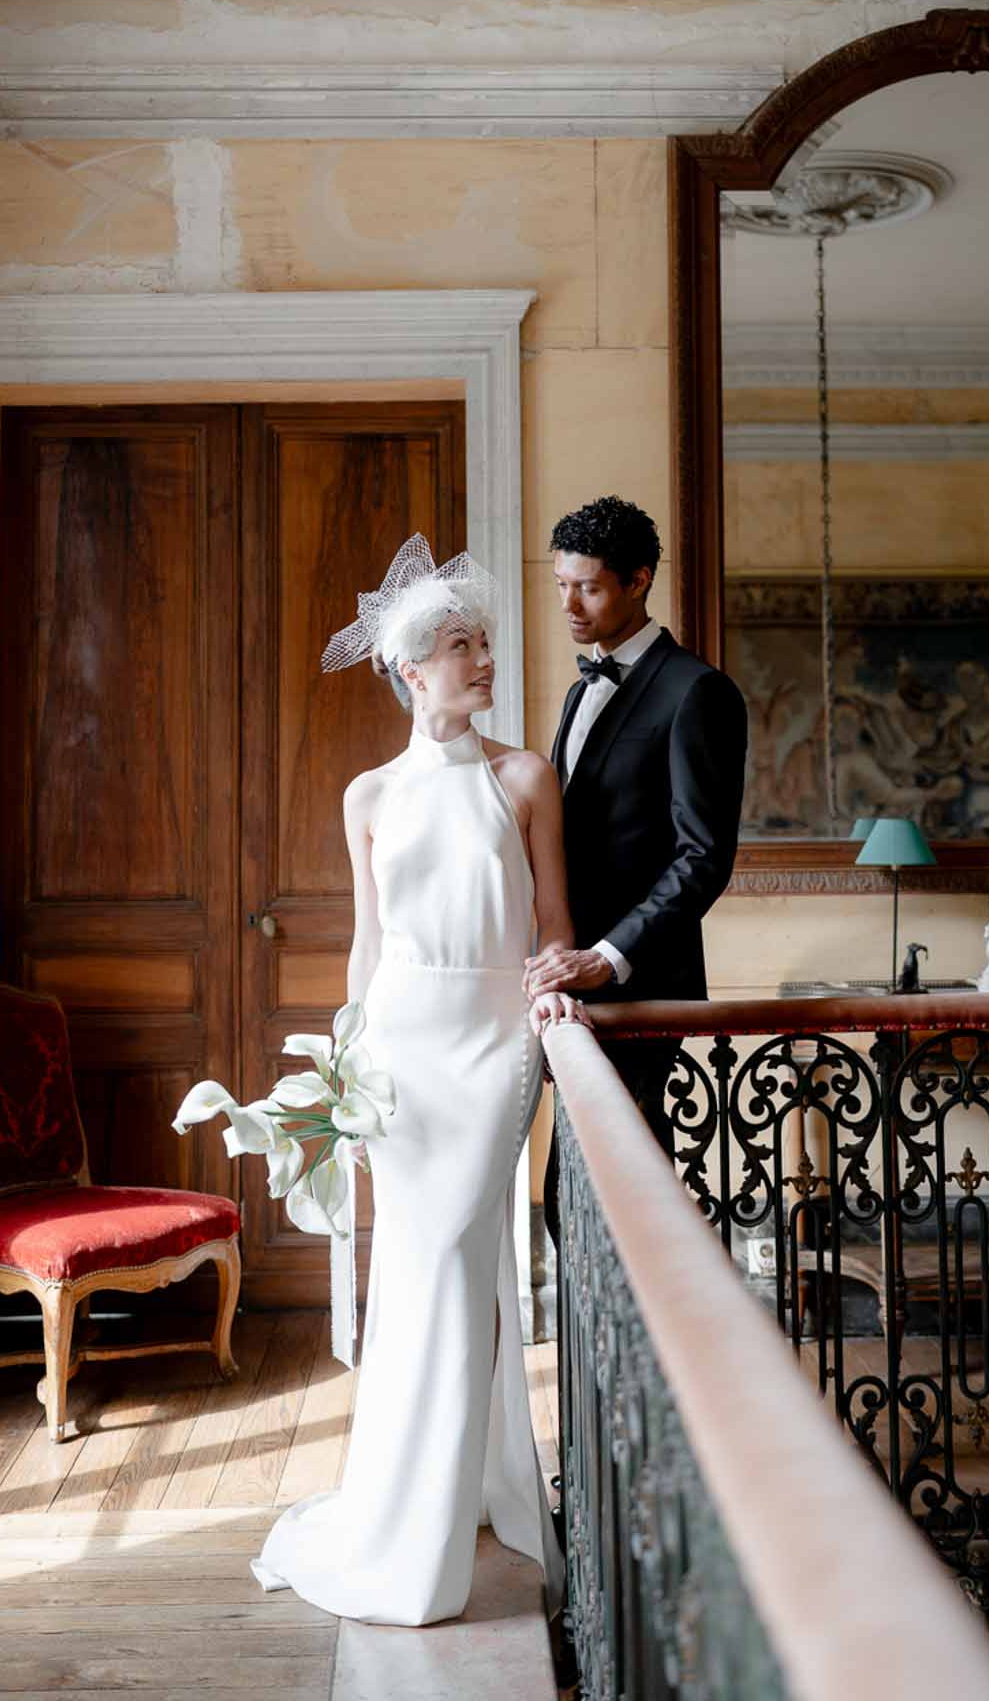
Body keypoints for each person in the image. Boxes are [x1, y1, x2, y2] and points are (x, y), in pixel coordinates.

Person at [253, 536, 577, 1627]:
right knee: (417, 1277)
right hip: (397, 1048)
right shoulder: (369, 794)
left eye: (484, 641)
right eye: (456, 646)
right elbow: (369, 942)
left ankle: (435, 1533)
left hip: (490, 1052)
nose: (482, 659)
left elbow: (556, 931)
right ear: (408, 670)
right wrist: (345, 1061)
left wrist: (553, 1001)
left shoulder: (525, 776)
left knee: (450, 1260)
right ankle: (408, 1508)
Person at [525, 496, 748, 1163]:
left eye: (588, 587)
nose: (569, 605)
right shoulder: (578, 692)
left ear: (640, 579)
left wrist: (607, 957)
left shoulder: (696, 691)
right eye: (561, 585)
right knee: (574, 1201)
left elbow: (702, 858)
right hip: (570, 988)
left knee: (623, 1193)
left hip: (641, 989)